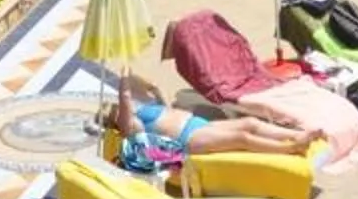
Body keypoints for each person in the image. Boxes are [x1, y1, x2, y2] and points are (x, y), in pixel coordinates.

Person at [100, 75, 315, 175]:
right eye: (114, 112)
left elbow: (154, 88)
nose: (118, 109)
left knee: (249, 123)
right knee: (242, 139)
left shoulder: (144, 110)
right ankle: (289, 148)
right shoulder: (131, 128)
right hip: (188, 140)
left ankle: (296, 136)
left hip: (196, 124)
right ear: (115, 122)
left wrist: (135, 76)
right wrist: (123, 78)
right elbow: (126, 97)